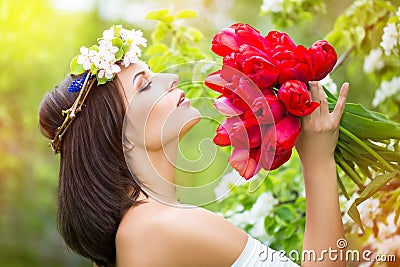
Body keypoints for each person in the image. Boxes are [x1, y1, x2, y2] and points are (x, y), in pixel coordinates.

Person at [39, 26, 349, 267]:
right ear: (117, 134)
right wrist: (318, 162)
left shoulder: (141, 231)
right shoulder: (161, 228)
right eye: (144, 85)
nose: (172, 78)